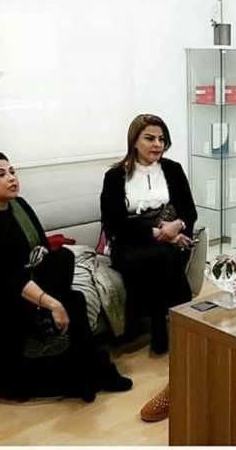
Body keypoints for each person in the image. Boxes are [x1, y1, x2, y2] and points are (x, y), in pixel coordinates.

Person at [0, 152, 132, 403]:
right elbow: (5, 276)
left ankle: (92, 370)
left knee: (65, 265)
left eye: (12, 171)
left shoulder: (18, 205)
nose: (11, 178)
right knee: (69, 302)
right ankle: (92, 372)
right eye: (1, 174)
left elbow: (40, 247)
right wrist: (52, 303)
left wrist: (41, 268)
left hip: (21, 277)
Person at [100, 114, 197, 354]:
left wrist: (177, 226)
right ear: (134, 141)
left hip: (169, 238)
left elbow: (190, 211)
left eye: (161, 139)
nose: (157, 144)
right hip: (129, 242)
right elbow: (114, 223)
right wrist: (156, 233)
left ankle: (153, 325)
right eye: (149, 138)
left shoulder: (172, 169)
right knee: (159, 258)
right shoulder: (115, 176)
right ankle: (168, 324)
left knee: (164, 256)